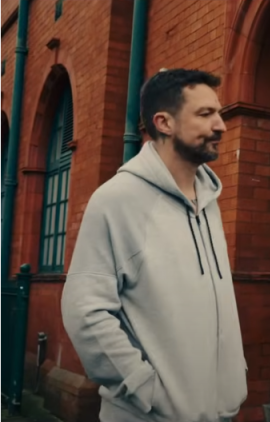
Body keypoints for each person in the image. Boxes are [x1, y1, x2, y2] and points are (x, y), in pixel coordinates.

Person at [61, 68, 247, 422]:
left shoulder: (209, 199)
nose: (221, 125)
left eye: (218, 113)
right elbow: (85, 312)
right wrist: (145, 389)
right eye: (206, 114)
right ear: (164, 122)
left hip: (218, 412)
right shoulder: (117, 199)